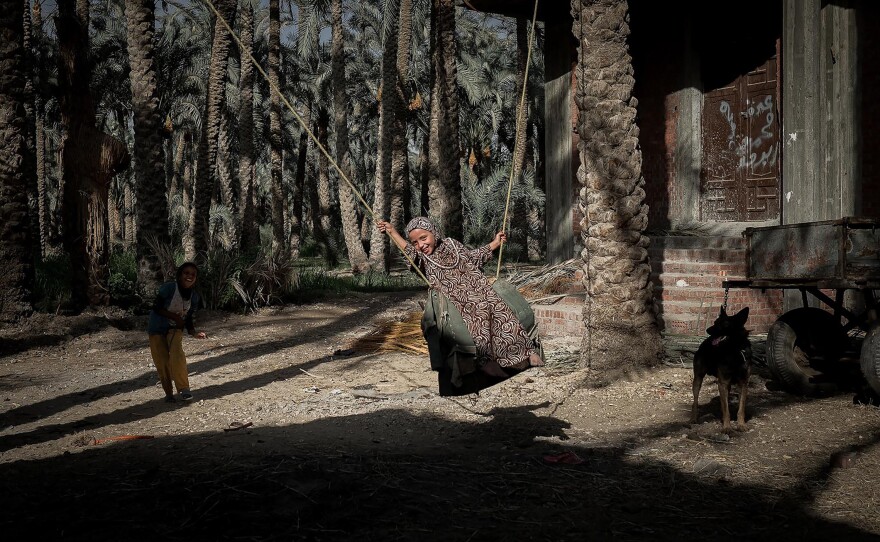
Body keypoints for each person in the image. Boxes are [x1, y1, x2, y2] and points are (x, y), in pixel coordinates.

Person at [377, 216, 543, 378]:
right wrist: (393, 232)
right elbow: (408, 252)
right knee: (477, 317)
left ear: (434, 233)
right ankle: (488, 363)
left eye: (423, 238)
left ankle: (526, 352)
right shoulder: (422, 259)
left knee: (500, 308)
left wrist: (494, 244)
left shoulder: (452, 244)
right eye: (415, 242)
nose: (421, 245)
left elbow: (472, 258)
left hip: (478, 288)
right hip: (454, 298)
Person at [147, 262, 207, 402]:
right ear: (180, 275)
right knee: (162, 361)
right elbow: (157, 307)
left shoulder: (194, 297)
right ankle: (168, 393)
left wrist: (193, 333)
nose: (189, 276)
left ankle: (184, 389)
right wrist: (174, 317)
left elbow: (189, 317)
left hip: (175, 329)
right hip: (157, 328)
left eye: (193, 274)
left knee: (177, 355)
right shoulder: (168, 288)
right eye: (186, 273)